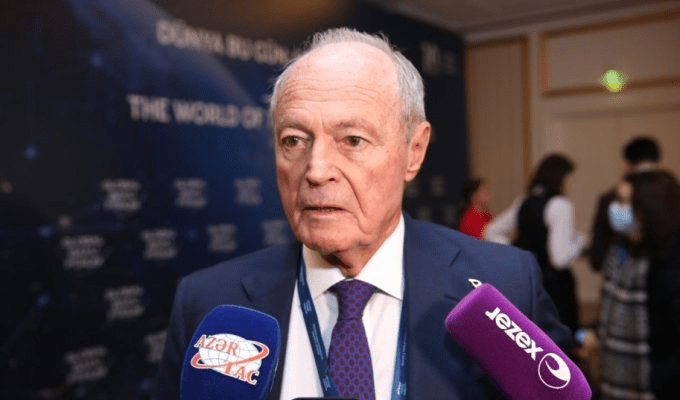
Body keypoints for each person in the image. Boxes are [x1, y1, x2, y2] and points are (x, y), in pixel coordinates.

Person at [152, 28, 570, 400]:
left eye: (352, 140)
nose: (316, 170)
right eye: (294, 140)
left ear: (414, 151)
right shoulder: (207, 303)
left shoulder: (506, 287)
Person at [593, 170, 680, 400]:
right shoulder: (623, 252)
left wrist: (659, 380)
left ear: (650, 209)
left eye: (625, 202)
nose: (617, 210)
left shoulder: (670, 262)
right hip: (617, 381)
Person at [484, 154, 588, 335]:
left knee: (529, 337)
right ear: (560, 179)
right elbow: (559, 259)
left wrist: (520, 252)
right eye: (570, 179)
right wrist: (582, 242)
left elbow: (491, 231)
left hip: (525, 282)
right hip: (554, 288)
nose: (572, 184)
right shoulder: (561, 205)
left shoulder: (524, 201)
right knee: (558, 341)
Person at [589, 136, 661, 273]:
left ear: (627, 165)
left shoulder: (611, 198)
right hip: (668, 280)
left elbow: (597, 257)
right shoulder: (673, 197)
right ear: (660, 164)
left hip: (623, 278)